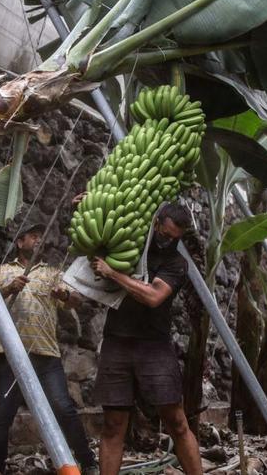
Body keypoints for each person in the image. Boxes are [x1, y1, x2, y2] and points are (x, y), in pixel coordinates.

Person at [88, 202, 203, 475]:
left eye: (175, 238)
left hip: (155, 346)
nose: (168, 241)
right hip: (117, 341)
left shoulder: (176, 263)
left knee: (176, 421)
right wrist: (89, 207)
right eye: (165, 234)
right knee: (114, 424)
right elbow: (93, 243)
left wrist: (113, 273)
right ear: (156, 223)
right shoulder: (131, 244)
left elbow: (153, 296)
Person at [0, 223, 97, 474]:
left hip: (46, 354)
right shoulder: (3, 271)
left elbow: (77, 301)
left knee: (63, 408)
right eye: (33, 236)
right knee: (0, 415)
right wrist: (7, 289)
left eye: (41, 237)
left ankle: (88, 462)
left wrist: (64, 296)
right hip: (9, 355)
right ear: (20, 242)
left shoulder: (52, 273)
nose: (38, 240)